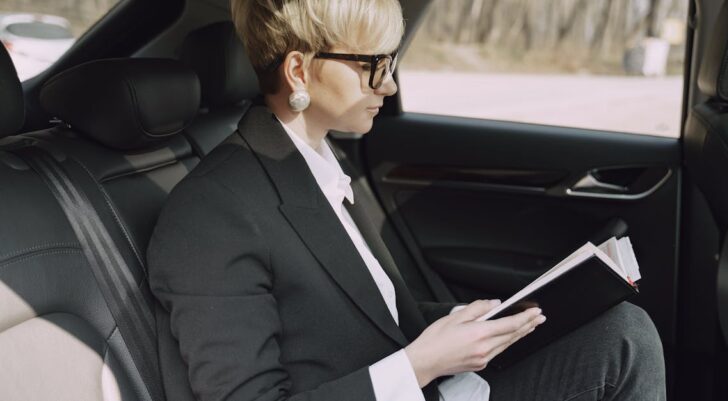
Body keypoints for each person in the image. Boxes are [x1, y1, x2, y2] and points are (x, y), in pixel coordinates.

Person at [147, 0, 667, 400]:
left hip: (431, 387)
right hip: (412, 386)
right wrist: (421, 363)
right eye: (372, 64)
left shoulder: (317, 163)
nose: (389, 84)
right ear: (299, 71)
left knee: (622, 332)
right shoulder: (211, 214)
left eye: (390, 61)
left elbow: (372, 313)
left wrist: (485, 323)